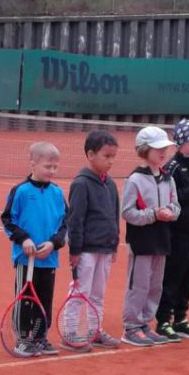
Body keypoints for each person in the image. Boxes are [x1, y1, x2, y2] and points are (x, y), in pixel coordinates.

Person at [1, 142, 68, 355]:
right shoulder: (20, 191)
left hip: (49, 258)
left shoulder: (57, 193)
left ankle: (39, 337)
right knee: (25, 300)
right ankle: (22, 339)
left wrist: (53, 243)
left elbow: (65, 224)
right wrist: (24, 240)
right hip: (26, 259)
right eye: (48, 166)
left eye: (55, 167)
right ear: (33, 164)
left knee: (44, 301)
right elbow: (8, 220)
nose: (52, 171)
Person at [120, 127, 179, 346]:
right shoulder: (135, 180)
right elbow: (127, 212)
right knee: (139, 286)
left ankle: (145, 323)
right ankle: (131, 327)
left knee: (156, 286)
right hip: (142, 242)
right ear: (144, 150)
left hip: (162, 241)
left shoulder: (167, 179)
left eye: (165, 148)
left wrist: (170, 213)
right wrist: (153, 214)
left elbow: (176, 206)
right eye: (158, 148)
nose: (163, 152)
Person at [64, 130, 121, 348]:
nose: (111, 161)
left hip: (105, 249)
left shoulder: (111, 184)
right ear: (90, 154)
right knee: (80, 291)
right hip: (86, 250)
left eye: (113, 156)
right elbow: (75, 219)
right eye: (107, 156)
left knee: (98, 293)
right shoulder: (80, 184)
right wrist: (75, 251)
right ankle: (70, 333)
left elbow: (114, 215)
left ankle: (94, 330)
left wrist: (114, 244)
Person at [155, 119, 189, 341]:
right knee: (173, 276)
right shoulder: (173, 167)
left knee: (188, 277)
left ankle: (181, 318)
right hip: (177, 234)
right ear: (181, 143)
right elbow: (170, 196)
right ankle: (163, 320)